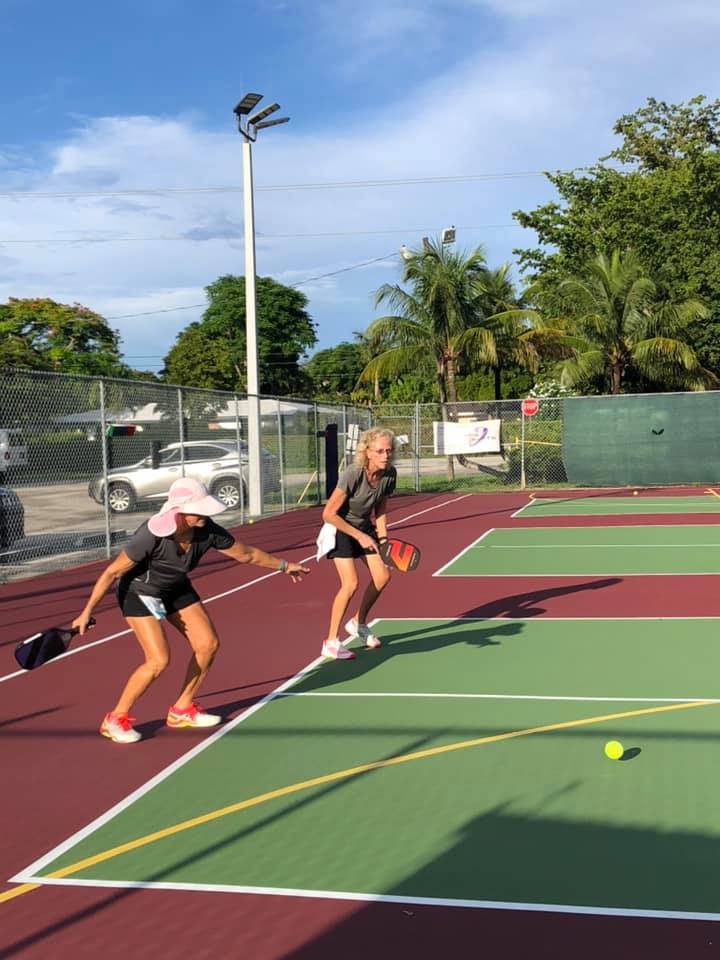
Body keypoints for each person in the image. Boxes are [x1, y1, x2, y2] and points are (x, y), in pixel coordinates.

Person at [72, 477, 309, 744]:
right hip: (138, 593)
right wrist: (87, 611)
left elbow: (247, 554)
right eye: (199, 510)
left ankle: (182, 709)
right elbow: (112, 572)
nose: (206, 515)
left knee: (208, 645)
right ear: (180, 512)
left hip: (175, 588)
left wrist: (284, 566)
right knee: (158, 660)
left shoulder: (207, 530)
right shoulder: (150, 535)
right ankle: (115, 719)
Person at [320, 427, 397, 660]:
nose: (385, 455)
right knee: (350, 584)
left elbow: (380, 508)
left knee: (383, 576)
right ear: (367, 452)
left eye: (389, 451)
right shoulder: (353, 474)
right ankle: (331, 642)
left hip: (364, 527)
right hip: (340, 528)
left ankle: (358, 623)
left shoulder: (389, 474)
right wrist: (359, 536)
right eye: (380, 451)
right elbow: (328, 514)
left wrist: (383, 540)